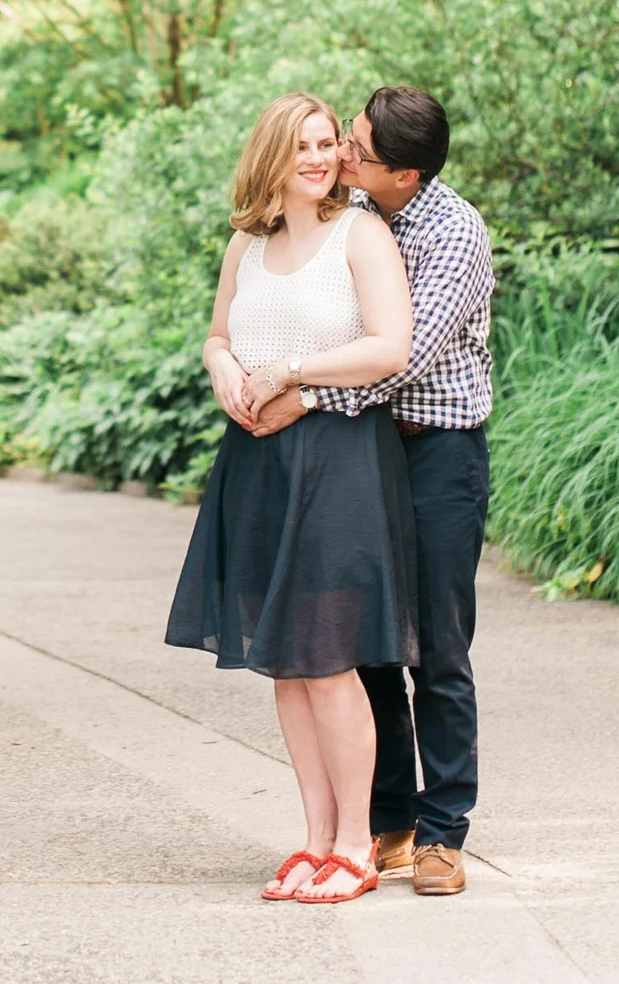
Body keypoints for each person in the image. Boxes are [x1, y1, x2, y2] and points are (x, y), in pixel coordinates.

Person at [165, 92, 419, 906]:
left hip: (337, 459)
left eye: (325, 143)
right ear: (271, 155)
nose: (318, 157)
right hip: (256, 461)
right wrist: (221, 367)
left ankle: (357, 846)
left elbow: (389, 345)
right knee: (283, 660)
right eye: (301, 145)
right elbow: (217, 333)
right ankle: (314, 838)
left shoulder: (362, 232)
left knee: (330, 657)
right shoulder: (248, 240)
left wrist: (289, 372)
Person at [244, 85, 494, 896]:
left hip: (438, 452)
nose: (342, 156)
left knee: (441, 650)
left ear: (407, 173)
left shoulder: (452, 232)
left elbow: (403, 355)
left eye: (359, 151)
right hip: (368, 451)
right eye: (343, 139)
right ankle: (388, 819)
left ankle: (444, 831)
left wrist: (306, 396)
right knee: (370, 639)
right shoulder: (360, 210)